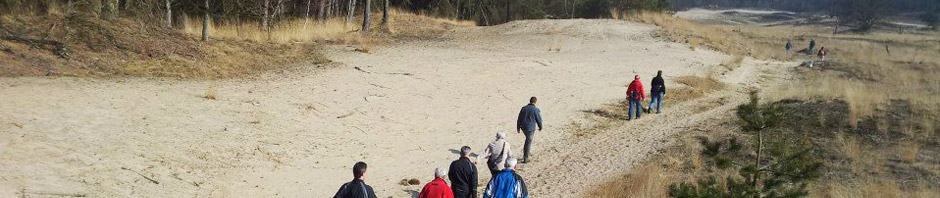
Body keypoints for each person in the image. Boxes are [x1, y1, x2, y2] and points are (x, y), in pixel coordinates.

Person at [516, 97, 542, 164]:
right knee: (528, 142)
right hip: (530, 129)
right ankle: (526, 158)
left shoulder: (523, 108)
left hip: (523, 128)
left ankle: (527, 153)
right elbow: (538, 119)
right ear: (535, 102)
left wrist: (518, 127)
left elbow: (519, 118)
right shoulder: (535, 109)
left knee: (528, 141)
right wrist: (540, 127)